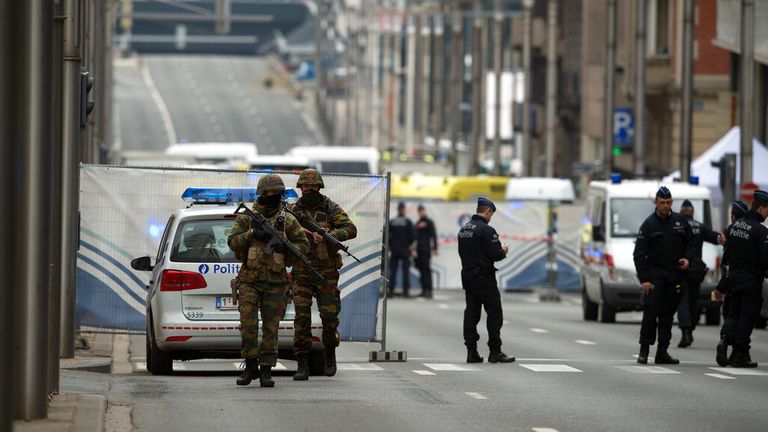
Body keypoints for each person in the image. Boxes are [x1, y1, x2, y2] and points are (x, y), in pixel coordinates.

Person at [227, 174, 310, 387]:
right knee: (248, 324)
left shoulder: (288, 220)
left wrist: (285, 247)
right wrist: (254, 233)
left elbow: (303, 245)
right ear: (262, 194)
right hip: (249, 281)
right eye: (271, 193)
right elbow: (233, 242)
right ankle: (250, 366)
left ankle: (266, 370)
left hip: (276, 282)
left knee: (272, 328)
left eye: (278, 193)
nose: (275, 197)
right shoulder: (247, 217)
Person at [289, 169, 357, 381]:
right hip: (302, 270)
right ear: (300, 188)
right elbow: (282, 231)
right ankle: (302, 363)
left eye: (313, 186)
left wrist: (328, 236)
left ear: (319, 187)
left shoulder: (330, 207)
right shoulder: (292, 210)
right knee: (301, 318)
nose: (309, 189)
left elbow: (350, 229)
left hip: (326, 272)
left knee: (329, 317)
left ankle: (330, 353)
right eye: (306, 186)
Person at [633, 186, 694, 365]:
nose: (665, 206)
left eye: (668, 203)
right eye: (662, 203)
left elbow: (691, 242)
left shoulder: (680, 222)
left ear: (672, 203)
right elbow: (638, 254)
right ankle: (644, 350)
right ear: (656, 203)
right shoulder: (649, 224)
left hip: (674, 276)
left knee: (667, 316)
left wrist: (687, 259)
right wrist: (644, 279)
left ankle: (662, 351)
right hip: (655, 277)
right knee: (651, 314)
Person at [713, 190, 768, 368]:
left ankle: (724, 339)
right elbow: (765, 258)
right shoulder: (761, 231)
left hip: (733, 278)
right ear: (762, 208)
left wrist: (724, 283)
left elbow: (727, 256)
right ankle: (739, 354)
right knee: (747, 316)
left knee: (733, 312)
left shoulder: (733, 227)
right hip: (751, 279)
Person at [458, 197, 515, 364]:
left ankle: (471, 351)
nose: (491, 217)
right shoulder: (486, 230)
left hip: (468, 277)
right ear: (488, 211)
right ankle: (495, 351)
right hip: (484, 278)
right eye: (491, 214)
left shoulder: (464, 229)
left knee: (471, 314)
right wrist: (503, 250)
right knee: (495, 313)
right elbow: (495, 255)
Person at [676, 200, 724, 348]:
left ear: (681, 211)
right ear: (692, 211)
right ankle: (690, 330)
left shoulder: (677, 225)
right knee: (693, 300)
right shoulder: (699, 226)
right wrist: (721, 237)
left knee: (682, 300)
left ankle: (685, 332)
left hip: (681, 268)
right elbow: (713, 237)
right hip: (697, 270)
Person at [388, 202, 415, 297]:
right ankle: (406, 292)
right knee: (405, 271)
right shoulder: (407, 221)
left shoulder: (392, 221)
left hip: (395, 249)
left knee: (393, 271)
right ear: (403, 209)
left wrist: (391, 245)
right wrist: (408, 244)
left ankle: (391, 291)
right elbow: (413, 235)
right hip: (404, 249)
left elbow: (387, 235)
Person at [415, 204, 438, 299]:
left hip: (426, 249)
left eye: (422, 210)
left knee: (426, 270)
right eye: (419, 211)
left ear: (424, 211)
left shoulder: (429, 222)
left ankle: (429, 290)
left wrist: (435, 248)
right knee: (421, 270)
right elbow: (414, 234)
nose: (421, 212)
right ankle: (424, 289)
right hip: (419, 249)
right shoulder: (417, 223)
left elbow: (434, 236)